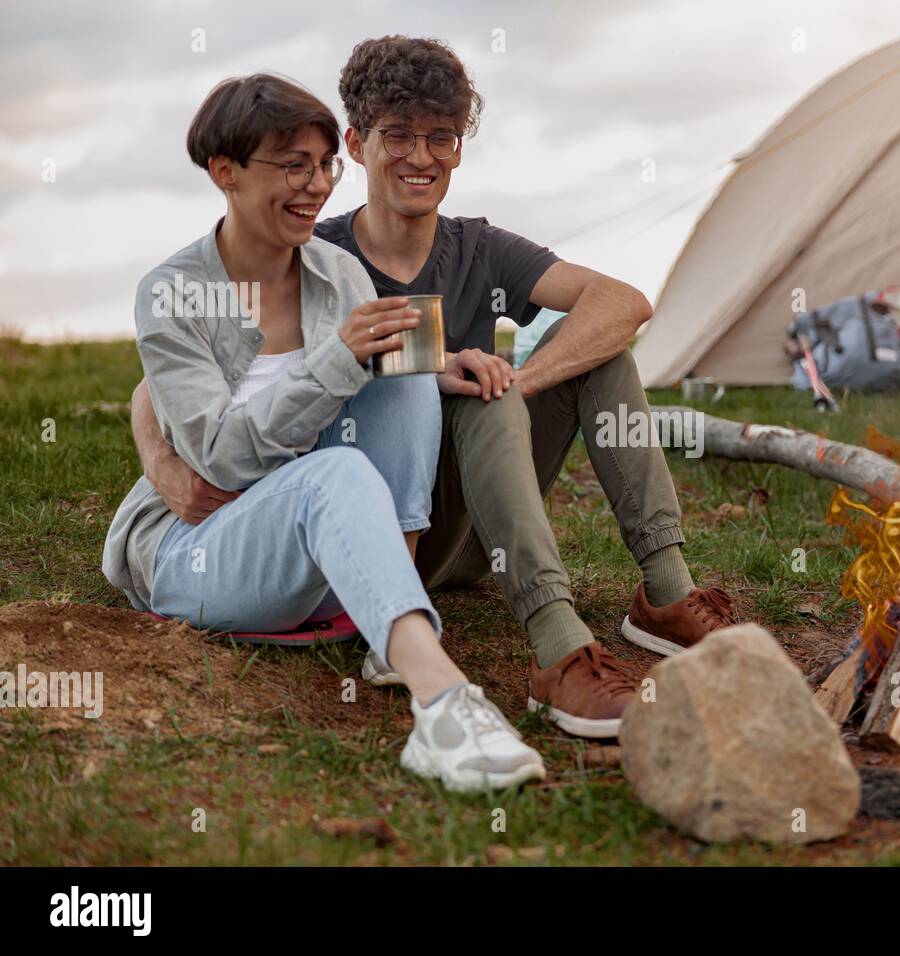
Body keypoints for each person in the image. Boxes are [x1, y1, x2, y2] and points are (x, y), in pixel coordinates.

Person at [132, 36, 741, 740]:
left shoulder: (475, 249)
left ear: (458, 149)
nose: (421, 157)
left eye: (441, 138)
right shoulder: (309, 249)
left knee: (585, 363)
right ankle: (553, 644)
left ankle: (666, 592)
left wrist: (518, 379)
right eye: (399, 136)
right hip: (360, 514)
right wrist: (161, 460)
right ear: (358, 145)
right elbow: (166, 380)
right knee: (425, 381)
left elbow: (624, 302)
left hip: (475, 519)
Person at [103, 73, 544, 793]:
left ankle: (386, 635)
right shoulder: (173, 291)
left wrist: (437, 366)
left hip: (310, 545)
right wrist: (340, 358)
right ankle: (443, 700)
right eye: (291, 166)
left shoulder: (336, 271)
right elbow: (220, 460)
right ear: (225, 172)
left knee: (402, 375)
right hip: (201, 551)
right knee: (336, 472)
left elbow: (364, 381)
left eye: (323, 165)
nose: (316, 186)